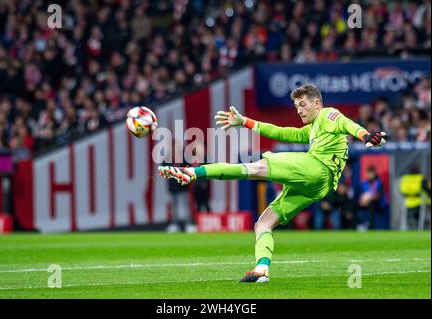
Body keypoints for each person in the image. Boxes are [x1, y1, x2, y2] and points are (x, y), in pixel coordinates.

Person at [158, 84, 386, 283]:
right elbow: (280, 131)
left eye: (303, 104)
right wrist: (244, 121)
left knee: (254, 168)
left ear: (317, 103)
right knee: (263, 224)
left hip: (316, 168)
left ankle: (192, 172)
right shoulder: (313, 128)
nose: (299, 110)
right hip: (319, 186)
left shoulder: (327, 114)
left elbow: (347, 124)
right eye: (296, 106)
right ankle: (262, 270)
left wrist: (365, 135)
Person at [357, 166, 388, 230]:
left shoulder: (378, 183)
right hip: (365, 203)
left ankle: (370, 227)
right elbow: (361, 194)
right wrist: (362, 200)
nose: (370, 175)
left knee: (372, 205)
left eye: (371, 174)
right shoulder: (364, 183)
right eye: (369, 174)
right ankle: (357, 226)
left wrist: (369, 199)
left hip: (377, 203)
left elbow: (379, 195)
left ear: (374, 174)